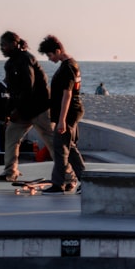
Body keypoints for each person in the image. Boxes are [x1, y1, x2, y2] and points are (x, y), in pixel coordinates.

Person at [0, 31, 53, 182]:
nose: (2, 48)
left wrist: (17, 110)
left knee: (52, 141)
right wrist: (8, 111)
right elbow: (13, 91)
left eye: (4, 45)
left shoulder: (26, 59)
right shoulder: (10, 63)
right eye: (0, 45)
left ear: (14, 44)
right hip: (24, 109)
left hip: (39, 108)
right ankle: (10, 172)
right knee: (11, 135)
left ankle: (67, 175)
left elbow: (29, 87)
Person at [38, 35, 85, 194]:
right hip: (69, 112)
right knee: (68, 147)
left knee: (60, 148)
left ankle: (59, 184)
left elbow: (68, 95)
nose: (49, 59)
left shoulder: (68, 67)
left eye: (50, 55)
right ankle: (86, 181)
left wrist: (62, 120)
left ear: (58, 51)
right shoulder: (69, 64)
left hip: (69, 113)